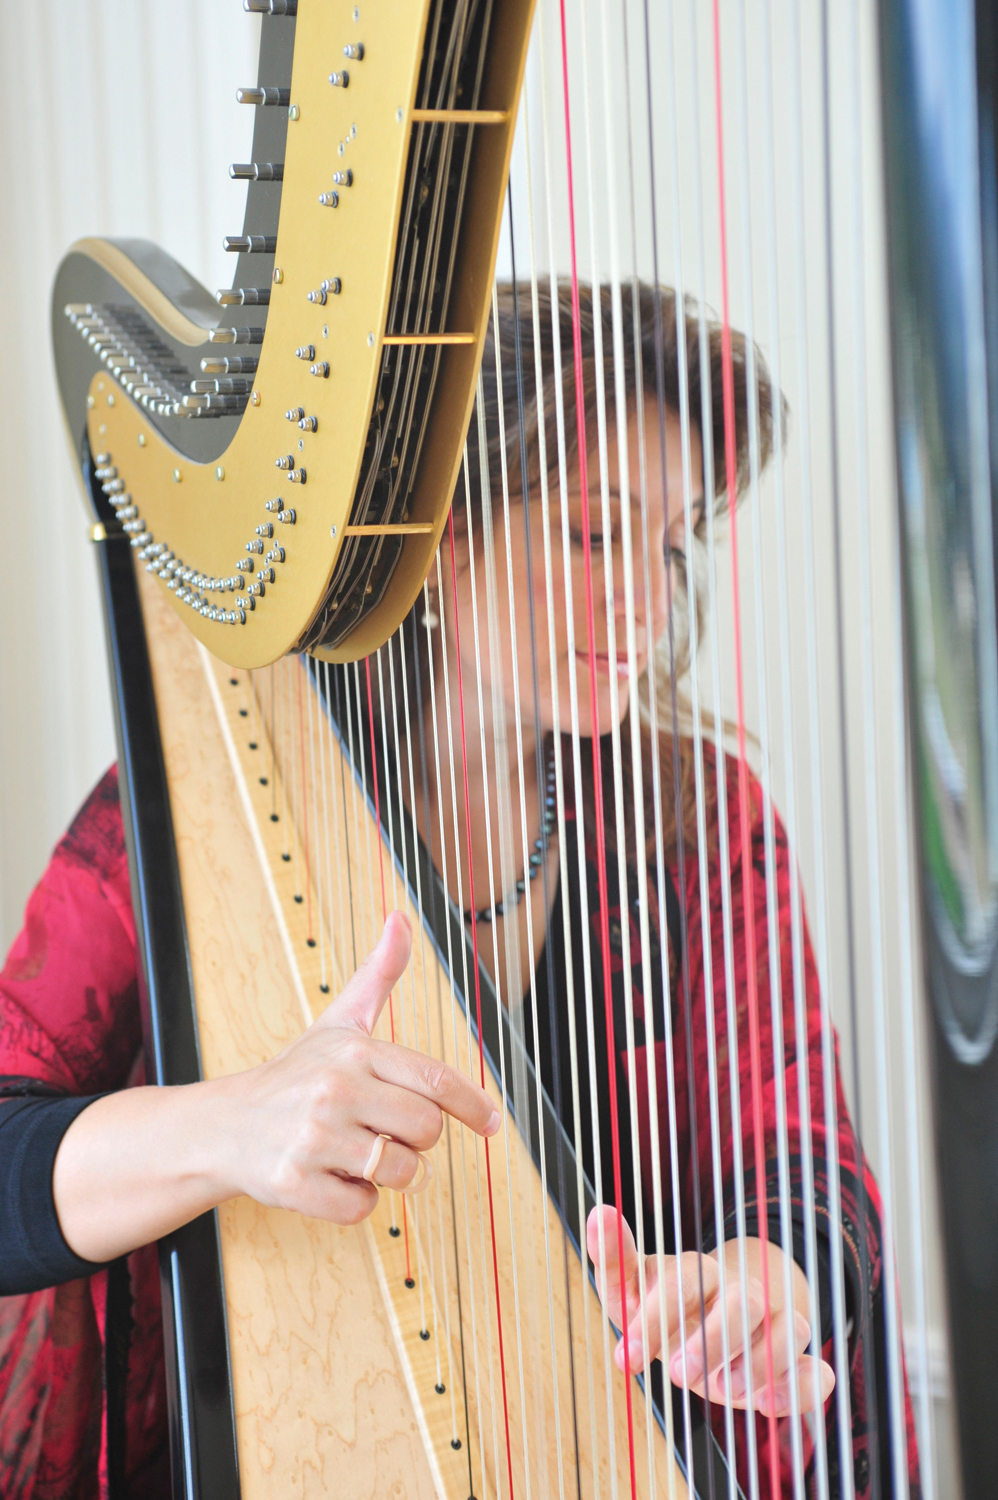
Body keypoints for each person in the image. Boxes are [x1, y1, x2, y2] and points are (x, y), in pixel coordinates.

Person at [393, 280, 920, 1498]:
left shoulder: (704, 817)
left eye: (671, 542)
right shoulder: (204, 791)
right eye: (594, 533)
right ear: (447, 526)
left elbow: (801, 1143)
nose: (643, 594)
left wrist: (763, 1275)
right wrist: (227, 1128)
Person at [0, 769, 499, 1497]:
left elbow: (732, 1191)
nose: (637, 644)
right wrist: (233, 1125)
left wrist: (733, 1261)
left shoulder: (699, 815)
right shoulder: (183, 790)